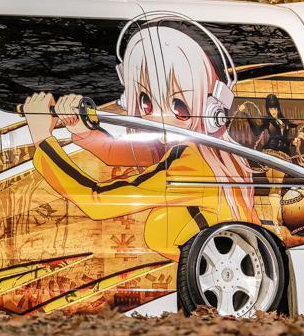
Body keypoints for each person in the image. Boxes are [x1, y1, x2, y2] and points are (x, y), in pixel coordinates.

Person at [24, 23, 257, 261]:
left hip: (216, 264)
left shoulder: (190, 162)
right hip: (230, 256)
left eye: (179, 106)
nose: (157, 116)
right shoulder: (212, 152)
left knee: (160, 223)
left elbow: (97, 200)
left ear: (212, 109)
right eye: (146, 101)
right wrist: (83, 131)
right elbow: (121, 152)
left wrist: (43, 140)